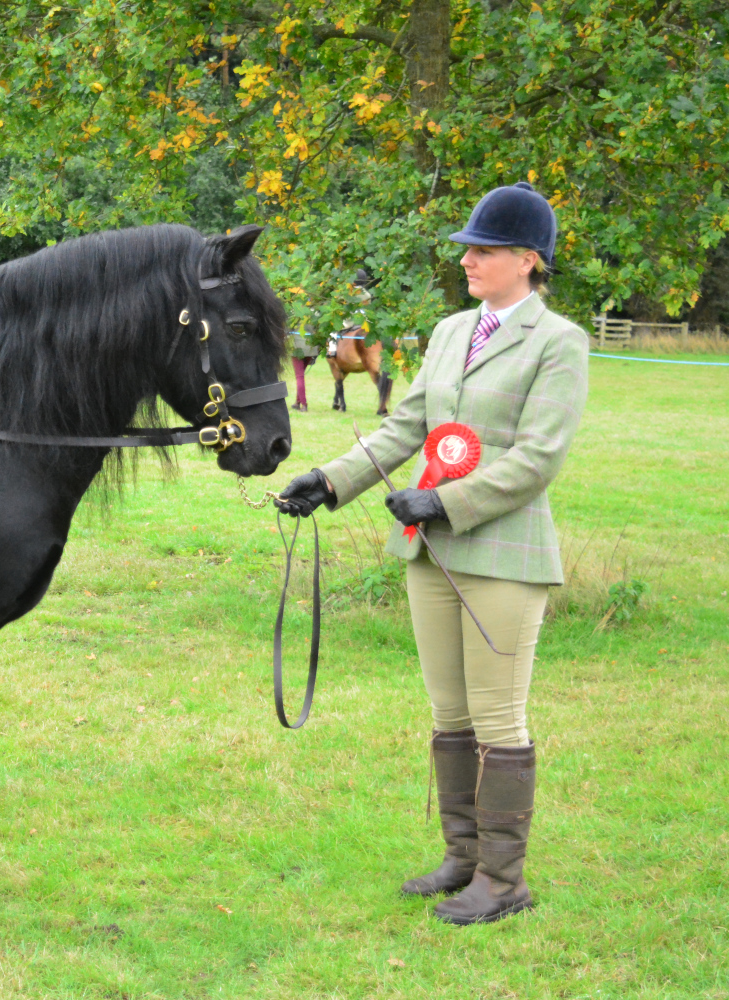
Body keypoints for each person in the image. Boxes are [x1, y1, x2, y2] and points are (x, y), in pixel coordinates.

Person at [277, 183, 588, 926]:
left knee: (497, 716)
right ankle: (462, 857)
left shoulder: (560, 343)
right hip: (432, 554)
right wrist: (330, 481)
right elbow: (404, 427)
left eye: (483, 250)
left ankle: (504, 878)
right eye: (469, 249)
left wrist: (444, 501)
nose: (469, 260)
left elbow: (538, 458)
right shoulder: (451, 331)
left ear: (528, 260)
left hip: (504, 556)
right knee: (451, 713)